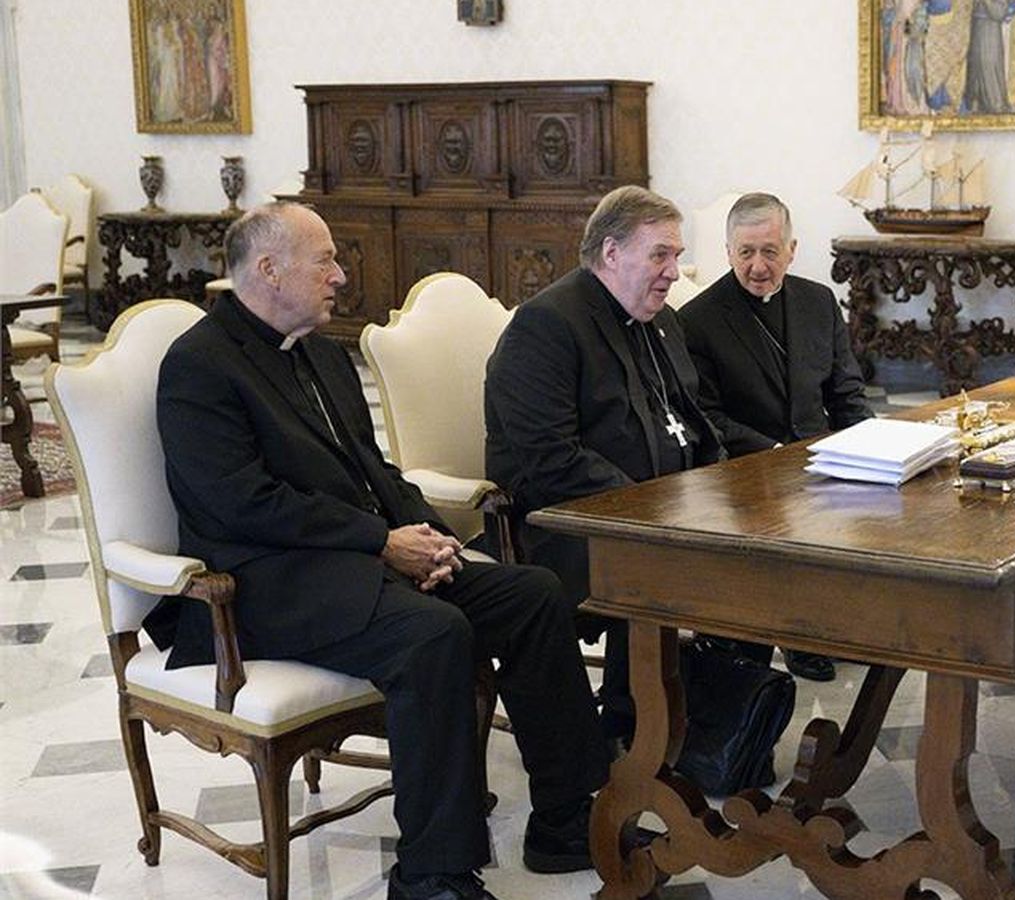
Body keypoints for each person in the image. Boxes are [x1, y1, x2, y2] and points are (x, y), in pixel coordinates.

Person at [152, 202, 609, 900]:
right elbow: (242, 503)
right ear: (268, 269)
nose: (341, 275)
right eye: (325, 261)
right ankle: (431, 873)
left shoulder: (321, 352)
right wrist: (382, 541)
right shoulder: (199, 365)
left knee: (533, 593)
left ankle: (564, 818)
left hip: (353, 566)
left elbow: (377, 473)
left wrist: (432, 536)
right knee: (432, 634)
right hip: (263, 586)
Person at [484, 185, 724, 742]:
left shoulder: (660, 322)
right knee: (673, 564)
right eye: (660, 255)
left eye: (676, 256)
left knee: (749, 554)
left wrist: (724, 488)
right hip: (562, 525)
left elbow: (692, 418)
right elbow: (551, 459)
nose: (673, 272)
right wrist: (652, 510)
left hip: (655, 513)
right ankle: (635, 728)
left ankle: (716, 725)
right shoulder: (546, 326)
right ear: (612, 253)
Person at [679, 193, 875, 682]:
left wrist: (873, 448)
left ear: (792, 249)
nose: (758, 266)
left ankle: (828, 627)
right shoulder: (698, 319)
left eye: (769, 251)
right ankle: (788, 631)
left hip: (818, 456)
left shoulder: (818, 301)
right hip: (747, 468)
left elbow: (846, 392)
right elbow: (706, 417)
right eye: (745, 252)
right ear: (728, 252)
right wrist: (774, 453)